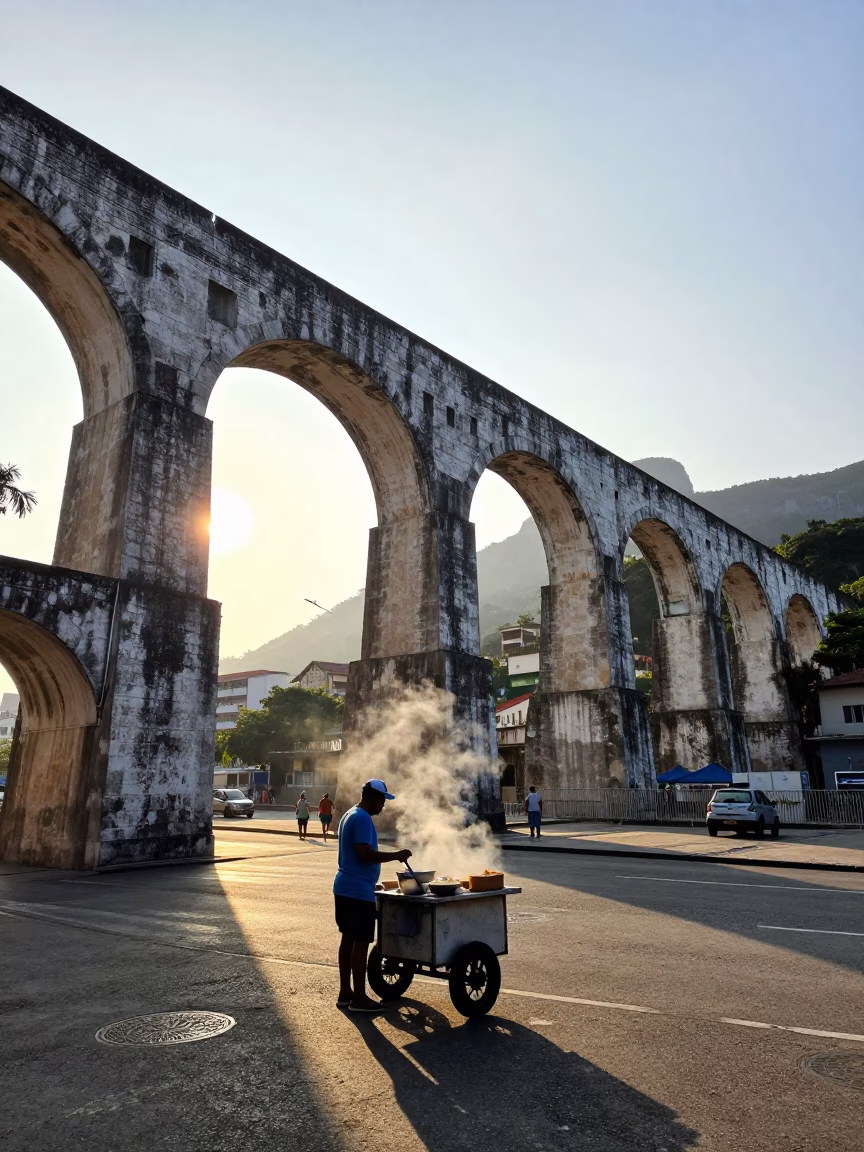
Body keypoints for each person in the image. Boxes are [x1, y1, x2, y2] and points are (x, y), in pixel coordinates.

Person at [334, 779, 412, 1013]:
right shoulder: (362, 819)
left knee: (348, 940)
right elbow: (364, 854)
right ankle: (359, 998)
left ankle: (345, 992)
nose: (383, 806)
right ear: (374, 797)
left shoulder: (350, 814)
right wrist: (396, 855)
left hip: (344, 887)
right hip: (357, 891)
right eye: (382, 801)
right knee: (361, 942)